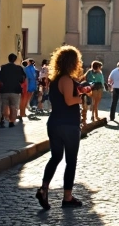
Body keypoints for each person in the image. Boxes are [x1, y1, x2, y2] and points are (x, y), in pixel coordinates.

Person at [37, 45, 93, 209]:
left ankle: (44, 188)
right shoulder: (66, 80)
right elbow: (69, 100)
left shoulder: (55, 80)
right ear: (72, 63)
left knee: (55, 157)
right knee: (71, 161)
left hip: (55, 123)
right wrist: (81, 97)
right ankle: (67, 197)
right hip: (68, 124)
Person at [0, 53, 25, 128]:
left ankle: (4, 120)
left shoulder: (3, 67)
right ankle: (11, 121)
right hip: (15, 90)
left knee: (4, 105)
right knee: (14, 106)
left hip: (4, 90)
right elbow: (22, 79)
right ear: (15, 59)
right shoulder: (19, 68)